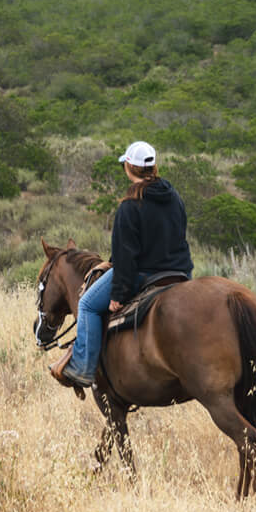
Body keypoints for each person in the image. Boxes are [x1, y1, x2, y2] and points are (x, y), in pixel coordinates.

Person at [53, 139, 194, 389]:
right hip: (179, 272)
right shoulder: (174, 197)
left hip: (145, 274)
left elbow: (125, 256)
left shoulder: (130, 205)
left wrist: (119, 293)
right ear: (153, 167)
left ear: (129, 167)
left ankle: (83, 369)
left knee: (86, 304)